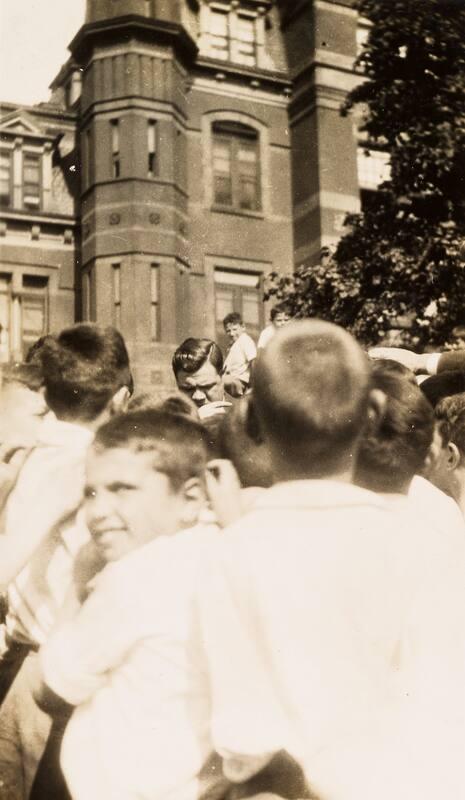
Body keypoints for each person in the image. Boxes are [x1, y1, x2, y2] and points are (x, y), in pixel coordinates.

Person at [196, 320, 465, 800]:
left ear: (253, 420)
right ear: (374, 412)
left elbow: (234, 727)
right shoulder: (431, 546)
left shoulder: (225, 553)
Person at [33, 409, 221, 800]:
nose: (98, 511)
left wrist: (79, 582)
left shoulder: (136, 577)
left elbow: (51, 686)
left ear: (190, 499)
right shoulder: (221, 553)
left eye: (123, 489)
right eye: (91, 492)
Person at [0, 324, 133, 796]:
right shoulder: (109, 473)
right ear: (119, 400)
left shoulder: (19, 453)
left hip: (15, 660)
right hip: (63, 676)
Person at [172, 337, 231, 418]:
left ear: (223, 376)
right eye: (188, 389)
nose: (198, 397)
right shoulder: (167, 422)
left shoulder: (247, 416)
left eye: (206, 387)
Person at [222, 313, 257, 397]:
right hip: (232, 380)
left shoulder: (245, 340)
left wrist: (253, 386)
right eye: (228, 331)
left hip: (240, 383)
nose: (231, 333)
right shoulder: (235, 344)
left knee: (214, 382)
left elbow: (254, 361)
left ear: (243, 327)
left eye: (234, 329)